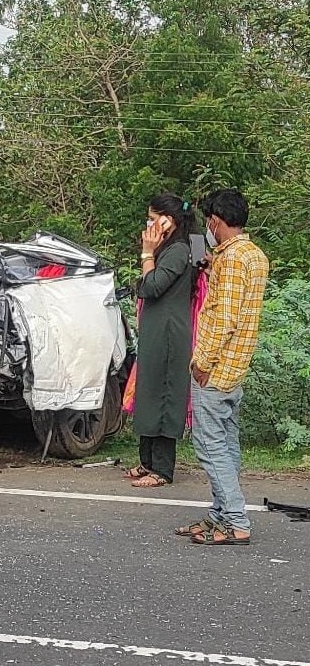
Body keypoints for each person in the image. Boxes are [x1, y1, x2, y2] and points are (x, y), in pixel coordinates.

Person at [176, 188, 268, 546]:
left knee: (209, 446)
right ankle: (219, 515)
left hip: (216, 368)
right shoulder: (253, 255)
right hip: (237, 366)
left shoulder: (231, 260)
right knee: (227, 444)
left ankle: (235, 521)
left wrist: (202, 361)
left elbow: (223, 317)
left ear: (215, 221)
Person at [123, 194, 197, 488]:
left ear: (170, 220)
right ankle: (147, 461)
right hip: (155, 329)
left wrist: (146, 253)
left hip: (169, 332)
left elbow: (151, 286)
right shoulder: (169, 248)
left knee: (165, 393)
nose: (149, 224)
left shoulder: (178, 250)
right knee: (149, 390)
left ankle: (163, 469)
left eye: (154, 218)